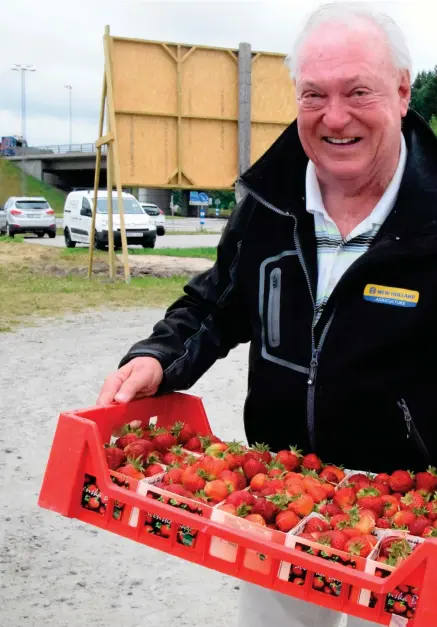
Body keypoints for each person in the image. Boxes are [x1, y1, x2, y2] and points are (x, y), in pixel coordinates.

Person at [98, 3, 437, 626]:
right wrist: (158, 357)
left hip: (408, 519)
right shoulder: (268, 201)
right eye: (315, 94)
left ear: (400, 90)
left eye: (358, 90)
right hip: (279, 502)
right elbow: (217, 300)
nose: (335, 116)